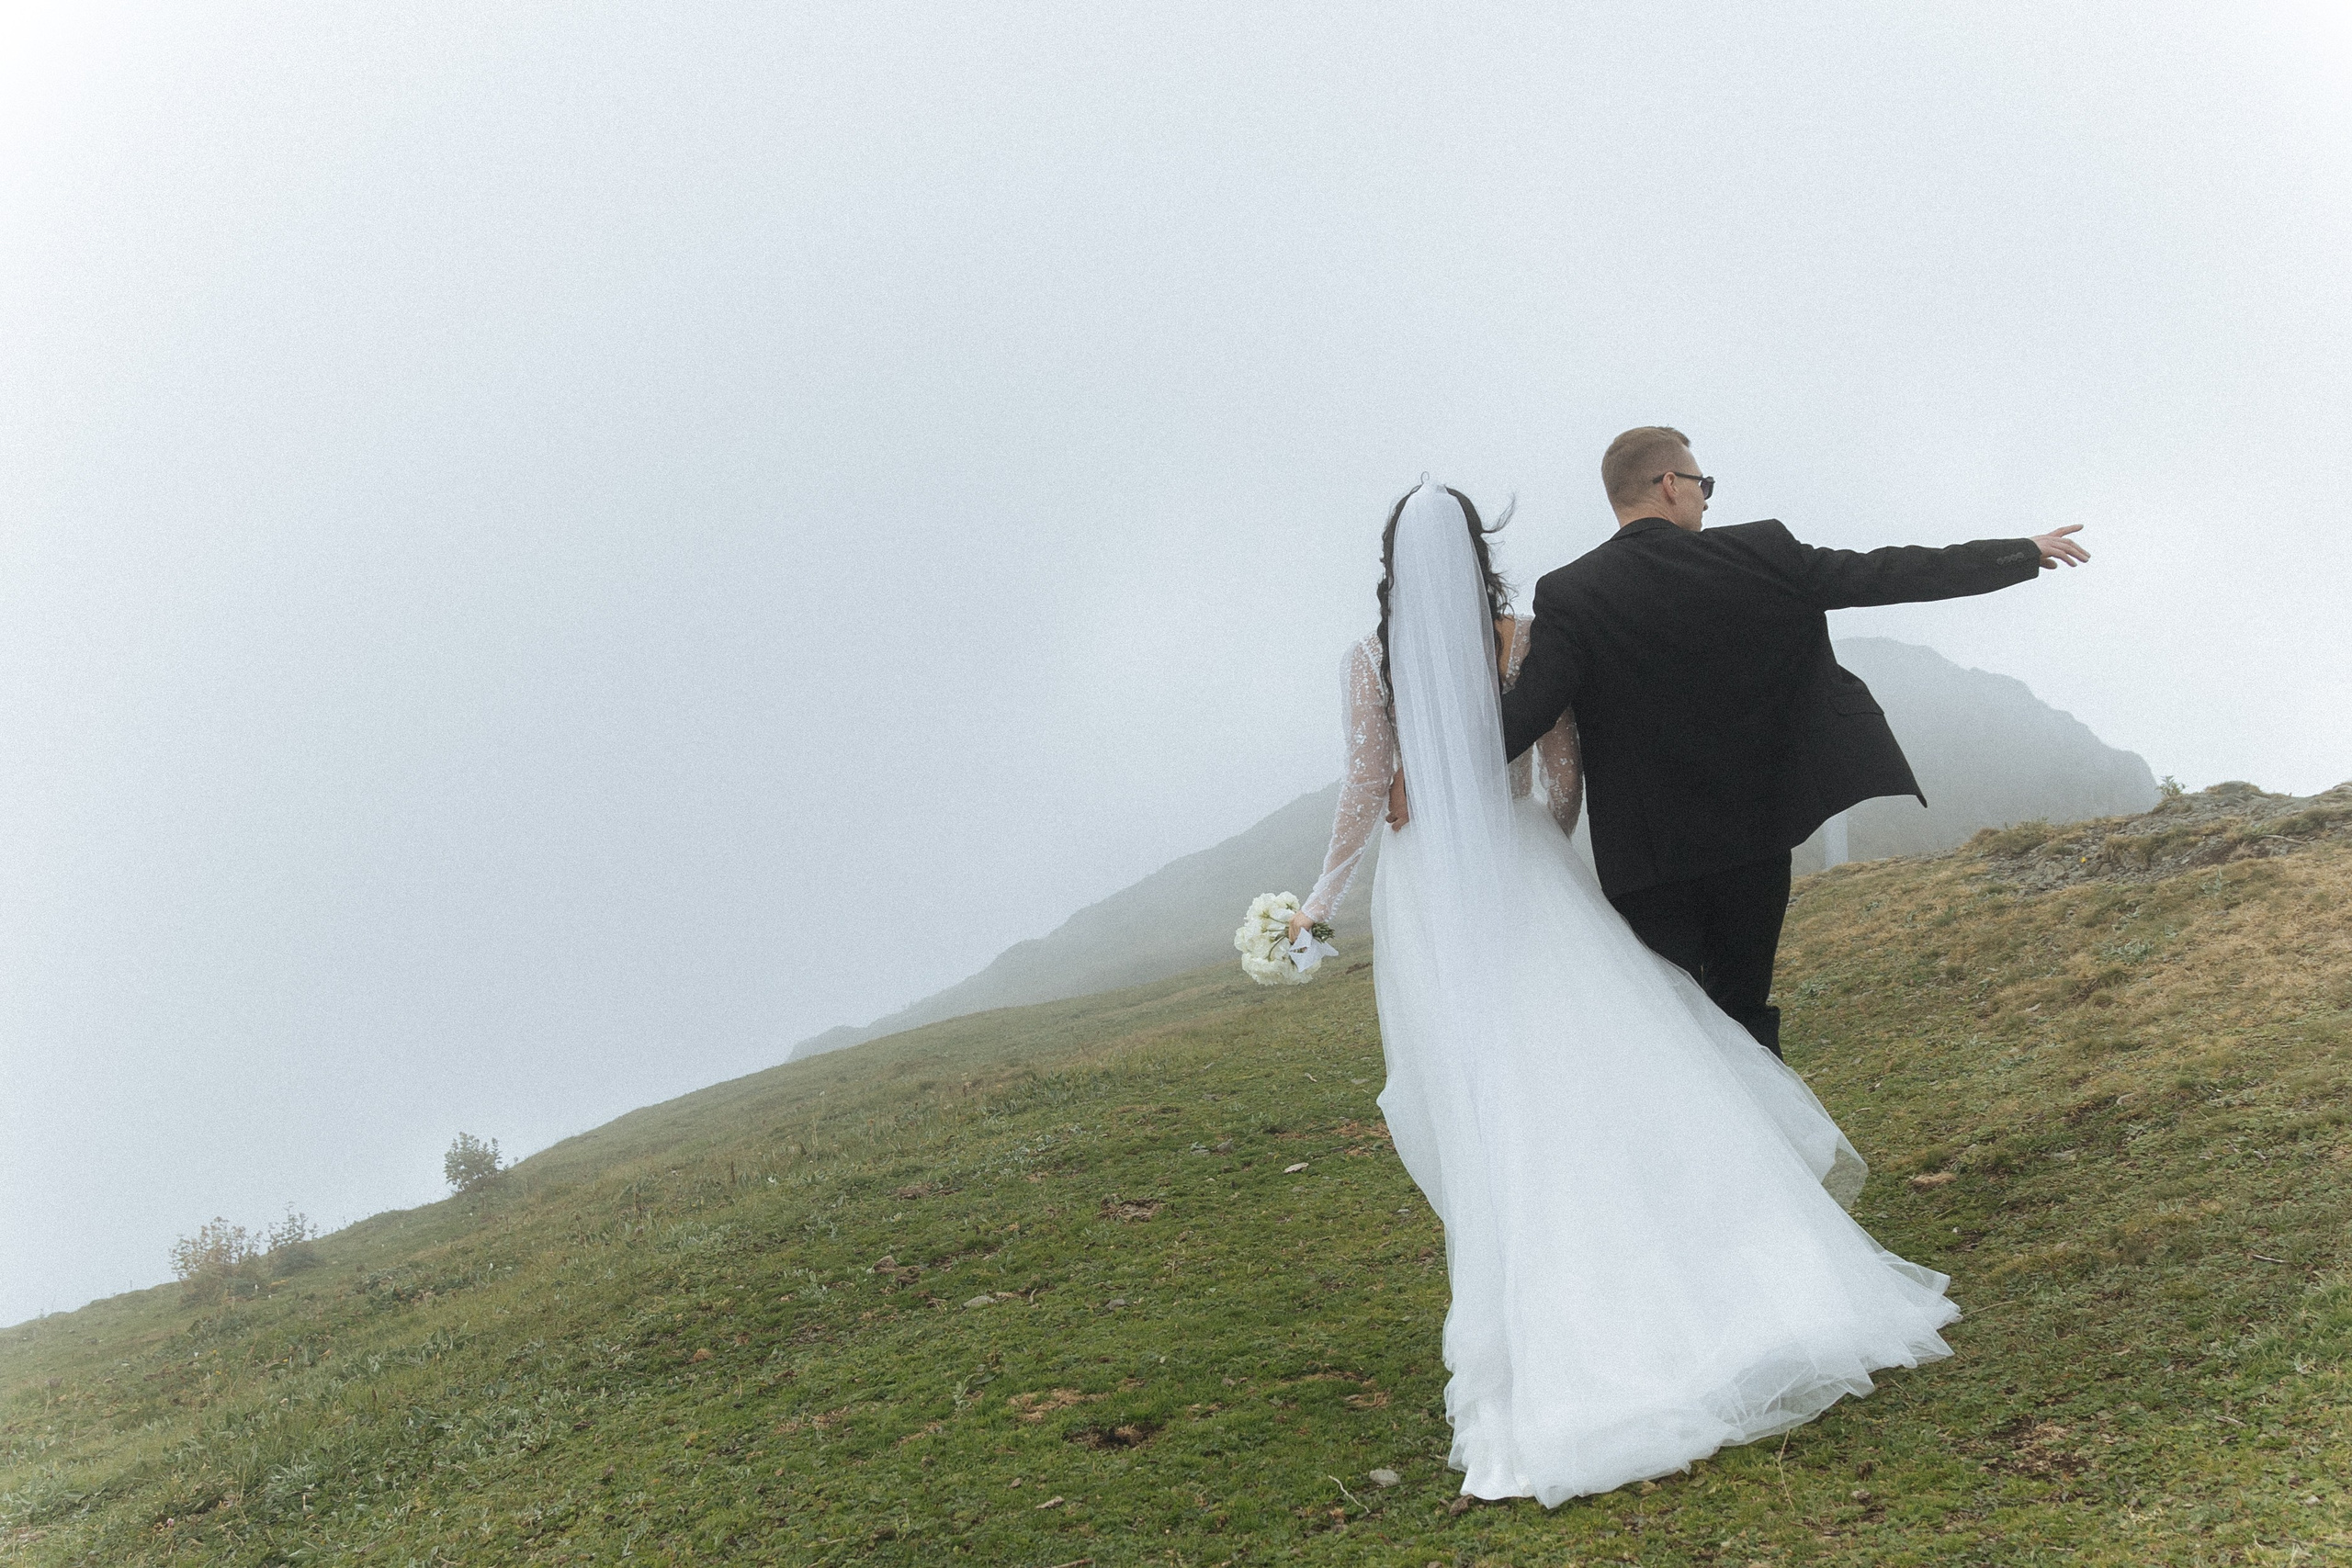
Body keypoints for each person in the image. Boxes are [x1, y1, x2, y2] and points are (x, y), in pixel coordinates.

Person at [1289, 478, 1962, 1505]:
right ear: (1480, 553)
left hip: (1429, 891)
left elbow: (1363, 784)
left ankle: (1550, 1315)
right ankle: (1736, 1277)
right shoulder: (1520, 635)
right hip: (1523, 875)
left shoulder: (1369, 662)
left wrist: (1317, 901)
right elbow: (1563, 769)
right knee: (1610, 1070)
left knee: (1491, 1098)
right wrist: (1541, 863)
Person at [1495, 426, 2088, 1056]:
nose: (1706, 499)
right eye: (1703, 484)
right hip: (1752, 841)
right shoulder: (1760, 553)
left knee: (1671, 1033)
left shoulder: (1569, 593)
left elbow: (1528, 712)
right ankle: (1768, 1149)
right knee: (1745, 1014)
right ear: (1670, 485)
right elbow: (1887, 573)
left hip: (1646, 863)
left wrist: (1421, 768)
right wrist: (2021, 551)